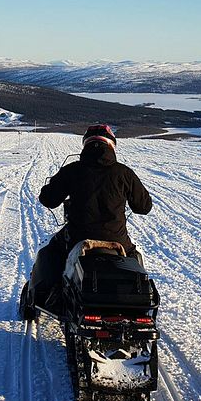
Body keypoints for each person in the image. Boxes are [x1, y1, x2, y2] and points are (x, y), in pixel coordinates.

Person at [22, 123, 152, 316]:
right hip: (117, 240)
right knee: (133, 257)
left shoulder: (73, 170)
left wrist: (50, 188)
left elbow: (48, 200)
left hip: (78, 238)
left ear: (86, 146)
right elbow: (144, 207)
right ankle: (139, 297)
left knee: (51, 252)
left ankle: (48, 297)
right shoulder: (124, 173)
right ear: (111, 146)